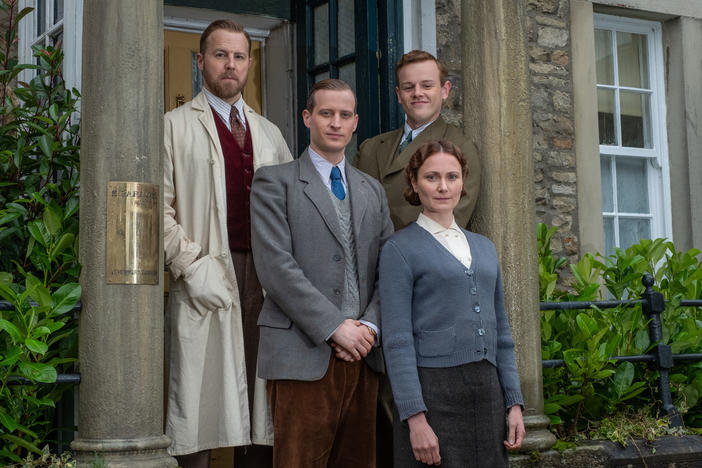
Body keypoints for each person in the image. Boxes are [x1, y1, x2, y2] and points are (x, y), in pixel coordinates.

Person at [163, 19, 292, 468]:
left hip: (265, 277)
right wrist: (191, 265)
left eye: (239, 56)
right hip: (206, 273)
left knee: (260, 402)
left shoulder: (271, 133)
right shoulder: (173, 127)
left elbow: (292, 211)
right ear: (201, 62)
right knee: (200, 398)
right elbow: (157, 209)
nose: (230, 64)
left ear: (250, 64)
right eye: (220, 55)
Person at [250, 78, 394, 468]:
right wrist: (335, 326)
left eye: (344, 115)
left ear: (355, 123)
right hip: (302, 354)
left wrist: (369, 328)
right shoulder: (273, 182)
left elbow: (390, 271)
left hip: (364, 356)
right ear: (307, 117)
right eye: (326, 113)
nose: (335, 122)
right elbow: (275, 268)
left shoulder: (372, 190)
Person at [379, 140, 525, 467]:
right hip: (433, 395)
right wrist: (415, 419)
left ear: (463, 181)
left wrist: (513, 403)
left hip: (487, 394)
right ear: (414, 183)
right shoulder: (399, 250)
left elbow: (502, 333)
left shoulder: (485, 248)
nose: (443, 186)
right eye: (432, 177)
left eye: (452, 177)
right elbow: (397, 341)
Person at [355, 50, 481, 231]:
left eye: (427, 86)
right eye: (408, 87)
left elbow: (449, 225)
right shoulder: (369, 148)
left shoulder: (461, 149)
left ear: (445, 90)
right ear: (398, 95)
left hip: (419, 257)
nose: (417, 93)